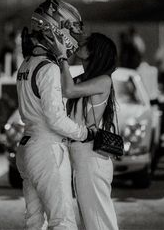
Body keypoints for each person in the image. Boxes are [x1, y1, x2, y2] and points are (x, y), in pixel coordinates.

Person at [15, 0, 95, 230]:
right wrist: (84, 133)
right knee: (63, 221)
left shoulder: (27, 64)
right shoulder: (48, 67)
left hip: (27, 147)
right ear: (57, 28)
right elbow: (55, 118)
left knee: (34, 221)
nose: (74, 37)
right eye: (71, 29)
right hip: (46, 149)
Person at [45, 32, 119, 230]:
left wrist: (62, 57)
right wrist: (61, 51)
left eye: (87, 45)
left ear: (96, 53)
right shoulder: (84, 80)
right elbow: (60, 87)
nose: (81, 47)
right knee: (91, 219)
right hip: (81, 156)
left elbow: (68, 91)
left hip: (91, 157)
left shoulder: (104, 80)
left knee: (98, 220)